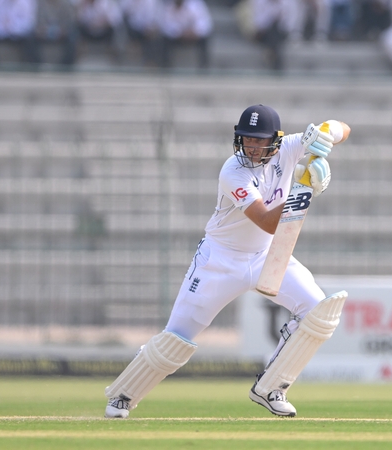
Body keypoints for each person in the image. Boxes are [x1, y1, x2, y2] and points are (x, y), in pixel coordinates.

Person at [103, 104, 351, 419]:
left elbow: (344, 127)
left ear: (275, 140)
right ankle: (123, 395)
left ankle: (271, 387)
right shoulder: (232, 171)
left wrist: (326, 134)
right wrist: (306, 189)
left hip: (266, 255)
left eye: (260, 140)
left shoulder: (290, 147)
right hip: (219, 260)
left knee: (318, 311)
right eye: (247, 139)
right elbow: (267, 221)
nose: (252, 146)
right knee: (177, 337)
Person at [0, 0, 41, 66]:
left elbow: (29, 23)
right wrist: (2, 28)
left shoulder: (27, 2)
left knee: (30, 37)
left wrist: (12, 27)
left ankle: (34, 67)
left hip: (18, 33)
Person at [157, 0, 212, 70]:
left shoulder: (196, 4)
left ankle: (204, 68)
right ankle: (165, 68)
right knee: (164, 40)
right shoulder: (167, 5)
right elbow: (165, 25)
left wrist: (195, 31)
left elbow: (205, 23)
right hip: (177, 37)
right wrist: (180, 32)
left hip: (194, 36)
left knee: (205, 38)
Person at [35, 0, 78, 66]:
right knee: (31, 38)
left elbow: (70, 22)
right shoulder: (40, 4)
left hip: (63, 33)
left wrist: (62, 31)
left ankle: (66, 67)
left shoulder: (66, 4)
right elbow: (38, 22)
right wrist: (44, 30)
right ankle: (36, 66)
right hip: (44, 33)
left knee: (73, 38)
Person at [120, 0, 160, 67]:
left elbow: (153, 18)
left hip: (147, 29)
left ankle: (150, 63)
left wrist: (149, 28)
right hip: (132, 28)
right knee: (124, 28)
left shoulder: (151, 2)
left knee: (153, 36)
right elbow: (122, 13)